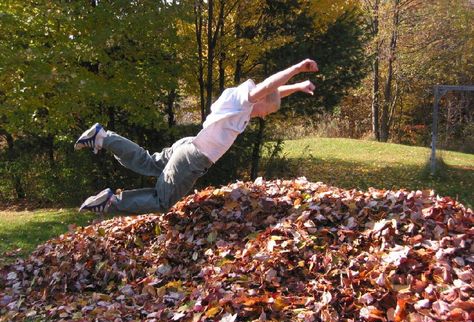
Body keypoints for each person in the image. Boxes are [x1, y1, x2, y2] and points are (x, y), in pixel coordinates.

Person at [75, 59, 318, 214]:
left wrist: (296, 87)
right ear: (261, 101)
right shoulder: (244, 101)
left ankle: (102, 137)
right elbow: (267, 88)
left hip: (188, 145)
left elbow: (272, 93)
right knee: (162, 201)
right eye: (268, 112)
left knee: (149, 162)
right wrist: (296, 69)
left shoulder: (237, 101)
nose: (265, 116)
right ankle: (112, 202)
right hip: (192, 158)